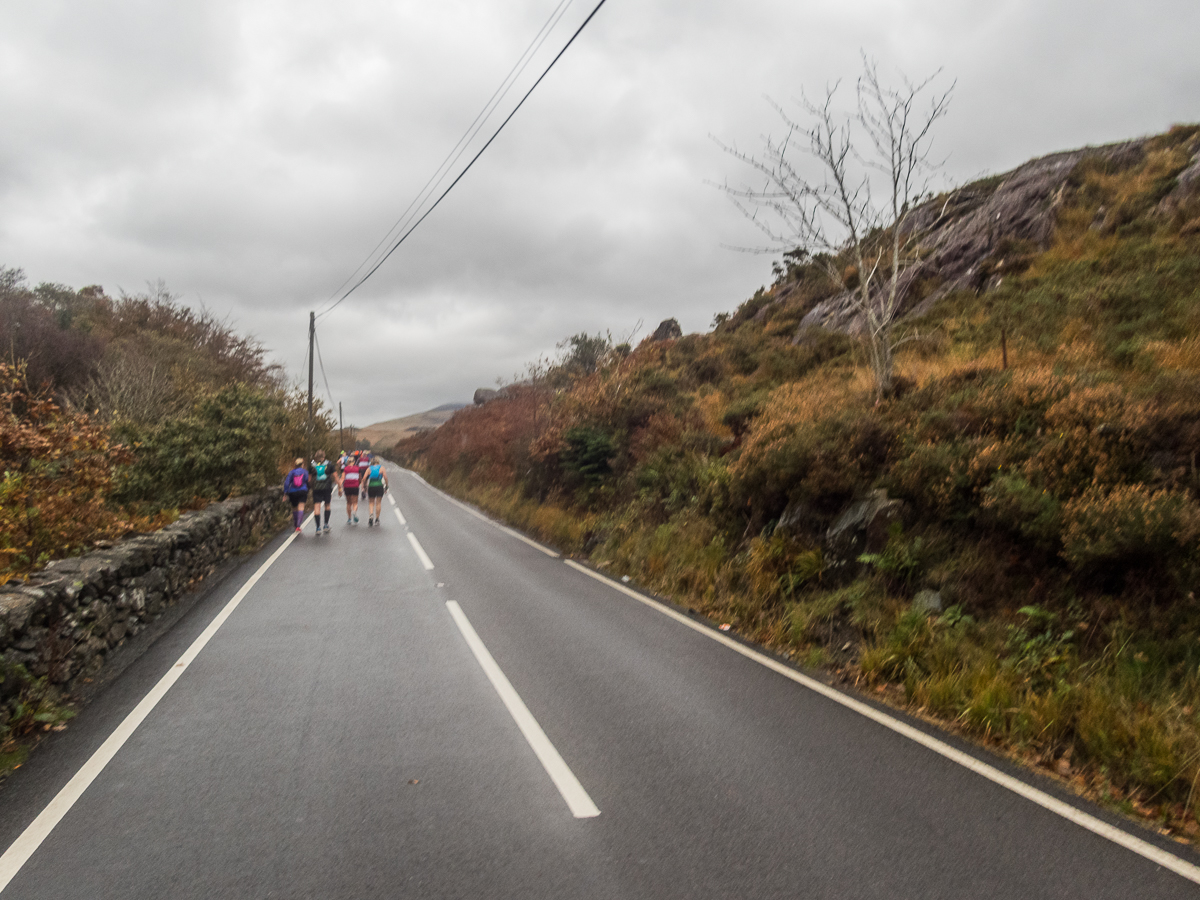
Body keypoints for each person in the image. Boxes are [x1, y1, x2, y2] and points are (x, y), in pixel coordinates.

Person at [309, 450, 336, 535]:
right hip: (327, 488)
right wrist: (339, 487)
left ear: (316, 456)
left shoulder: (312, 465)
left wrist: (310, 487)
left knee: (317, 506)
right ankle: (325, 525)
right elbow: (335, 476)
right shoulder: (329, 464)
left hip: (316, 489)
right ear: (324, 456)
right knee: (327, 505)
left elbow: (309, 479)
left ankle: (317, 528)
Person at [282, 457, 310, 533]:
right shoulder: (305, 472)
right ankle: (298, 525)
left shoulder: (292, 472)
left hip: (293, 492)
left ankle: (295, 524)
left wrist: (285, 493)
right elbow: (308, 481)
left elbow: (287, 482)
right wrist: (308, 488)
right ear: (302, 464)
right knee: (301, 507)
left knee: (294, 508)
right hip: (302, 491)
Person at [340, 450, 363, 525]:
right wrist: (360, 484)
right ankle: (354, 511)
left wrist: (340, 487)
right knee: (355, 502)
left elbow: (342, 478)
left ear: (348, 462)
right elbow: (360, 478)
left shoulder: (345, 469)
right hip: (355, 487)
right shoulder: (357, 468)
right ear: (354, 461)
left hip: (347, 487)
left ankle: (349, 518)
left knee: (348, 503)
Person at [364, 456, 388, 526]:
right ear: (378, 462)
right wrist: (386, 486)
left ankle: (371, 515)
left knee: (371, 502)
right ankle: (377, 519)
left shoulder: (369, 469)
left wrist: (364, 486)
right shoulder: (382, 468)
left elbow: (364, 478)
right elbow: (385, 477)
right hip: (379, 486)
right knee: (378, 503)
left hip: (371, 486)